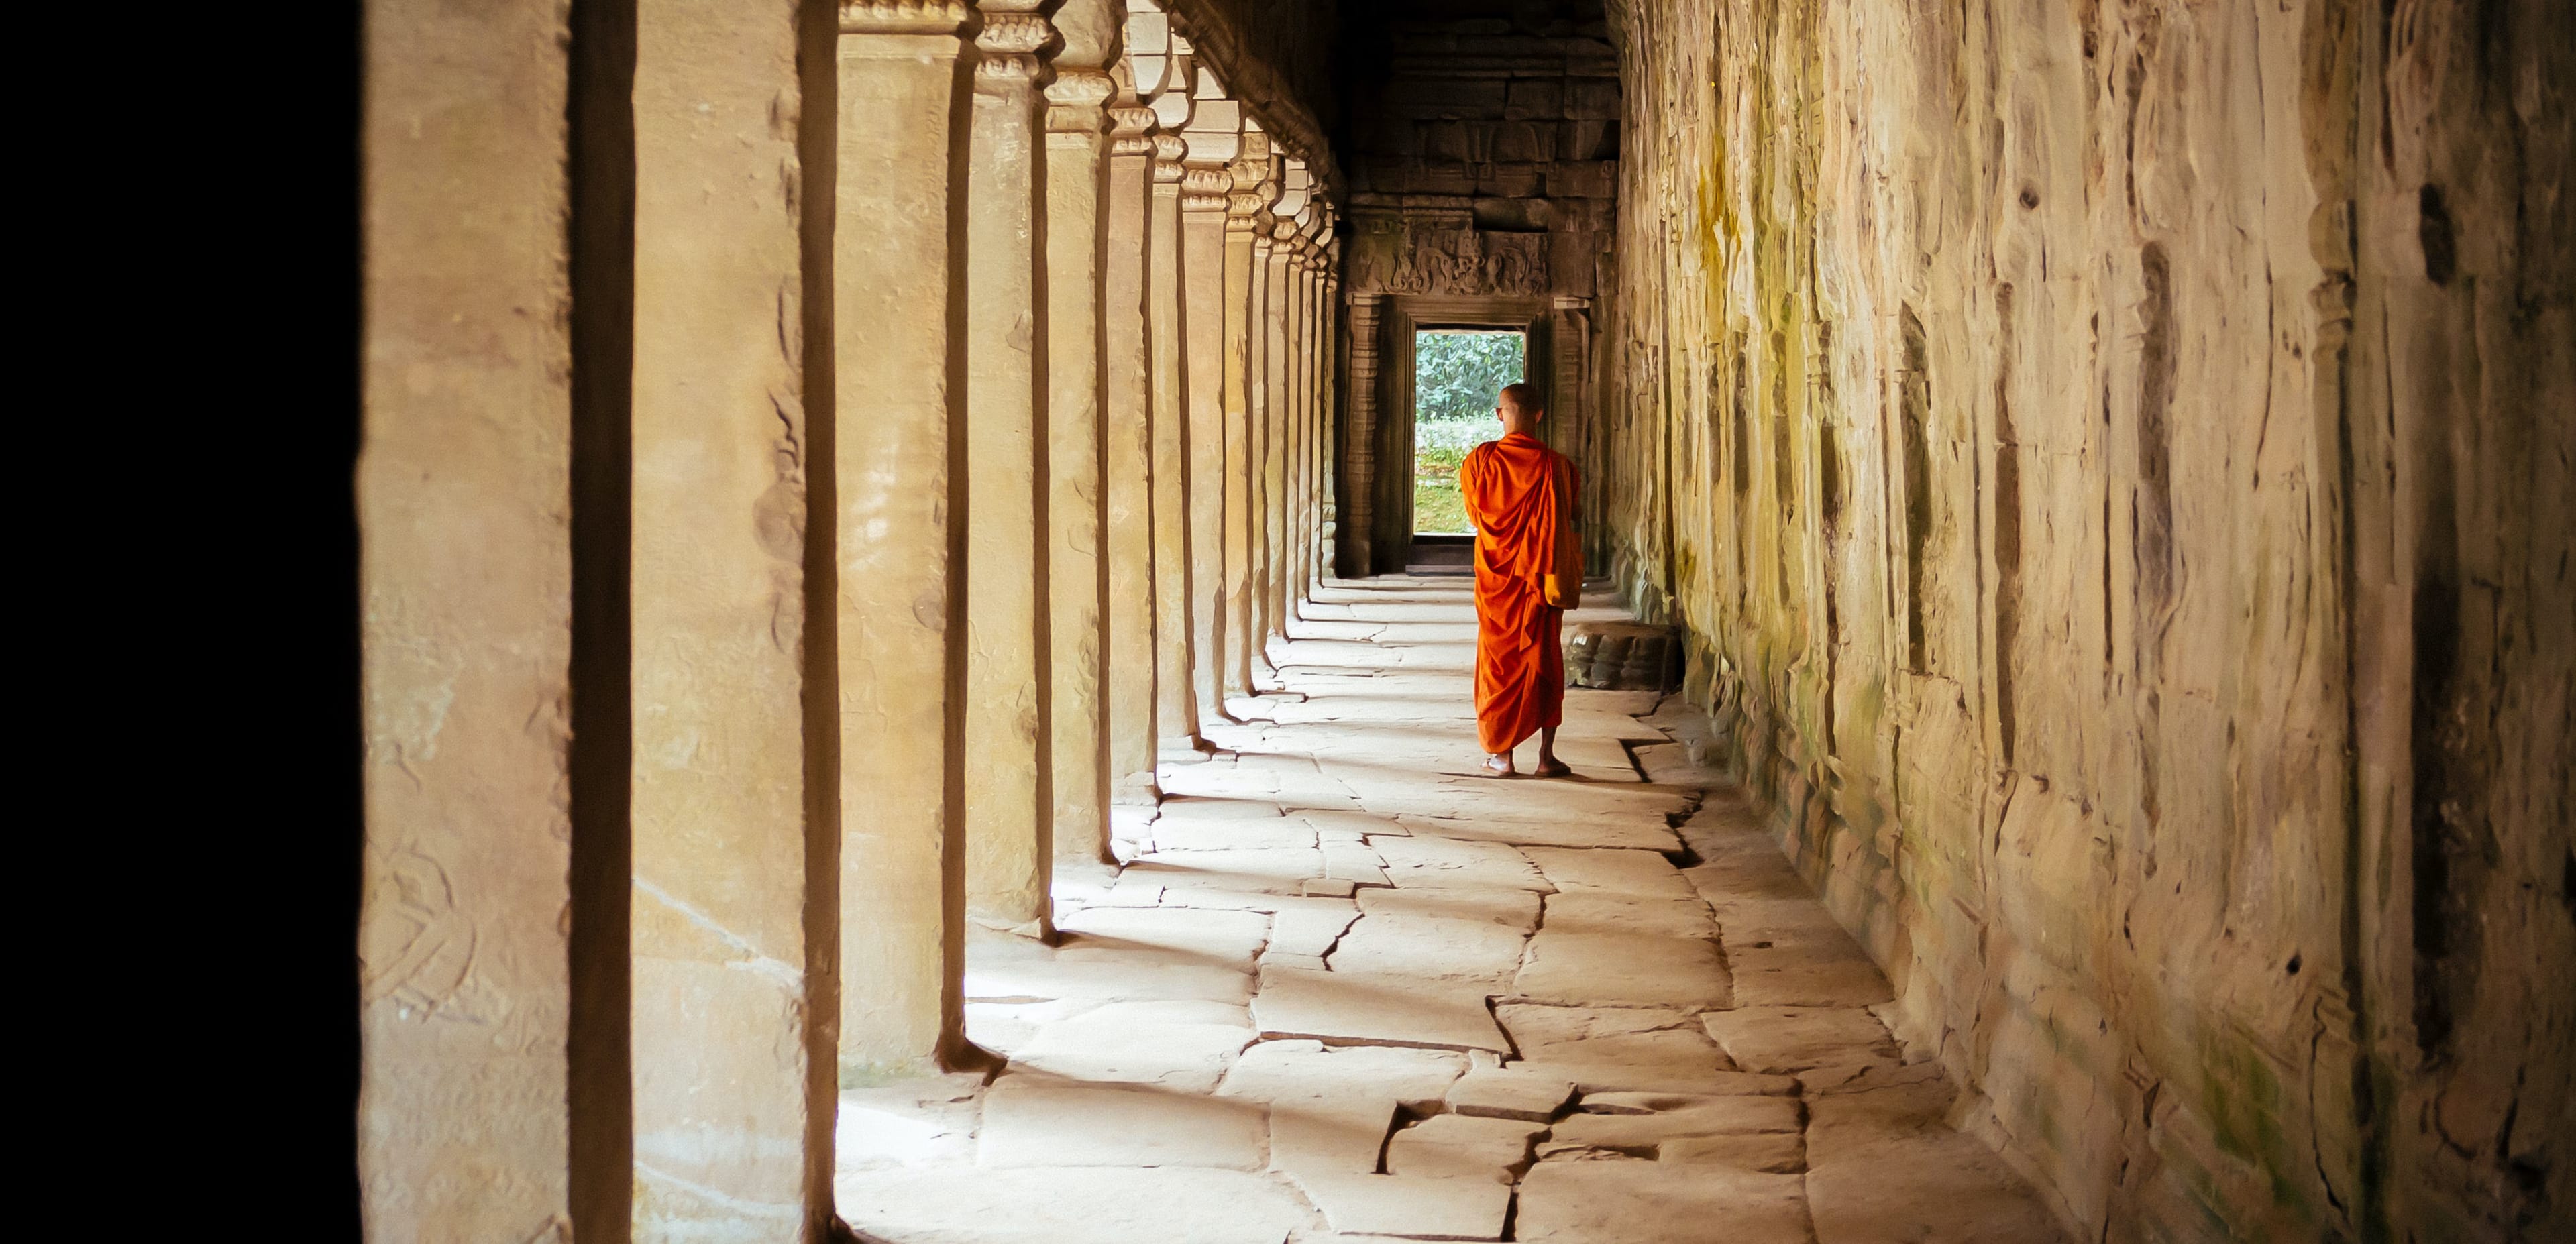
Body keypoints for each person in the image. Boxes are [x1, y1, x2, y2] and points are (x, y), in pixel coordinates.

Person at [1459, 382, 1580, 777]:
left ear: (1499, 415)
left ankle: (1503, 756)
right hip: (1538, 584)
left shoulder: (1480, 462)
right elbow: (1570, 515)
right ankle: (1546, 759)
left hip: (1497, 585)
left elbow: (1477, 517)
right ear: (1540, 416)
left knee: (1499, 663)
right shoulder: (1557, 466)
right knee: (1544, 661)